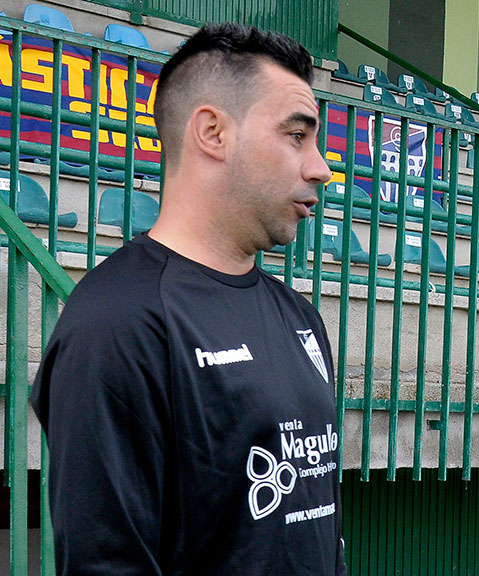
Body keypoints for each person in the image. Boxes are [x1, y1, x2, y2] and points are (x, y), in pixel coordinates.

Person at [31, 23, 347, 574]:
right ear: (212, 132)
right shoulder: (119, 325)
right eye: (297, 136)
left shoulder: (300, 317)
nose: (319, 167)